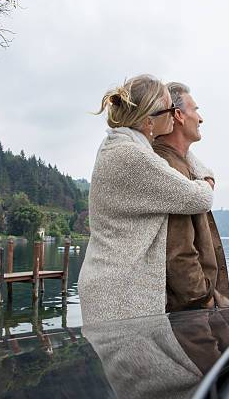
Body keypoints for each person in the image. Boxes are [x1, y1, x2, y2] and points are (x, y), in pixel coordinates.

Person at [78, 74, 215, 324]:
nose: (175, 115)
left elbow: (182, 161)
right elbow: (198, 198)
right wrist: (207, 179)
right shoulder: (132, 157)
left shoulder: (119, 144)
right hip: (119, 294)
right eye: (171, 110)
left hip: (112, 284)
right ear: (150, 121)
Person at [153, 82, 229, 312]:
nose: (201, 118)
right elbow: (178, 253)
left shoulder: (181, 163)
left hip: (197, 306)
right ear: (178, 115)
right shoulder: (169, 169)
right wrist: (204, 300)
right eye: (195, 110)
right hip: (192, 311)